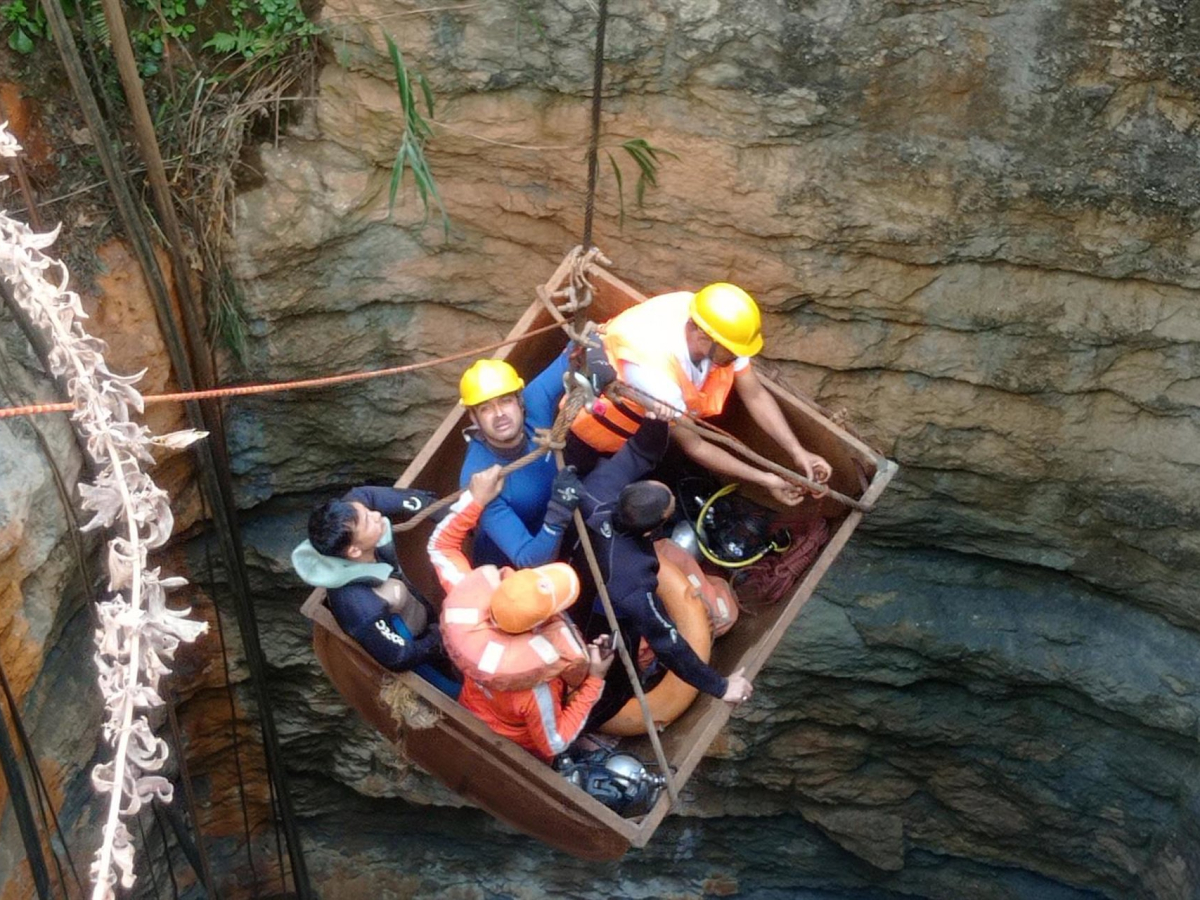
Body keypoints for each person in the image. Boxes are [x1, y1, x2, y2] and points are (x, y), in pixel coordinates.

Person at [567, 282, 832, 506]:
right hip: (591, 432)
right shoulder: (658, 377)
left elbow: (754, 394)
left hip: (652, 429)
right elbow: (695, 445)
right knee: (593, 495)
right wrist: (766, 480)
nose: (736, 358)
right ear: (703, 337)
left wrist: (798, 452)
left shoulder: (709, 318)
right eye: (731, 353)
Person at [575, 417, 754, 730]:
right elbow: (667, 642)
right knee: (617, 681)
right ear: (652, 532)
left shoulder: (598, 492)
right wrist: (722, 687)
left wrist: (659, 415)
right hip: (598, 618)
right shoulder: (634, 579)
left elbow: (639, 451)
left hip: (575, 577)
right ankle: (590, 720)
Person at [429, 466, 614, 762]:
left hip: (473, 707)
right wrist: (595, 678)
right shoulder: (535, 688)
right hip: (522, 744)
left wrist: (475, 499)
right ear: (541, 621)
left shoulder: (464, 597)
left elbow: (440, 546)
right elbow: (554, 742)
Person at [292, 484, 459, 696]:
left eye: (368, 512)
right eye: (368, 520)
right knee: (454, 689)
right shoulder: (361, 607)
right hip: (420, 649)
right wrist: (437, 639)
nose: (377, 515)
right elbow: (399, 656)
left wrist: (431, 507)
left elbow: (366, 496)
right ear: (354, 551)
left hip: (419, 614)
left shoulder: (349, 518)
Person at [458, 354, 584, 567]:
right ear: (473, 418)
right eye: (485, 408)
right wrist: (559, 511)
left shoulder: (534, 403)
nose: (499, 413)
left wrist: (595, 360)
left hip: (561, 526)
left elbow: (577, 351)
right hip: (510, 568)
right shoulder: (481, 479)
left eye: (505, 401)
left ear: (520, 401)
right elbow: (528, 559)